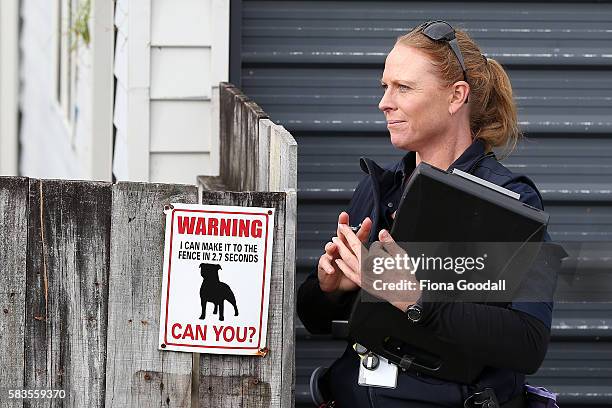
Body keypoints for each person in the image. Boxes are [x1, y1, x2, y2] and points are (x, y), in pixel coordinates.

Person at [297, 21, 567, 408]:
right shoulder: (380, 187)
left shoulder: (511, 201)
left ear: (456, 96)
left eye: (403, 88)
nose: (384, 102)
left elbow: (527, 342)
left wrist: (416, 297)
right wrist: (330, 289)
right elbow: (315, 320)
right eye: (384, 87)